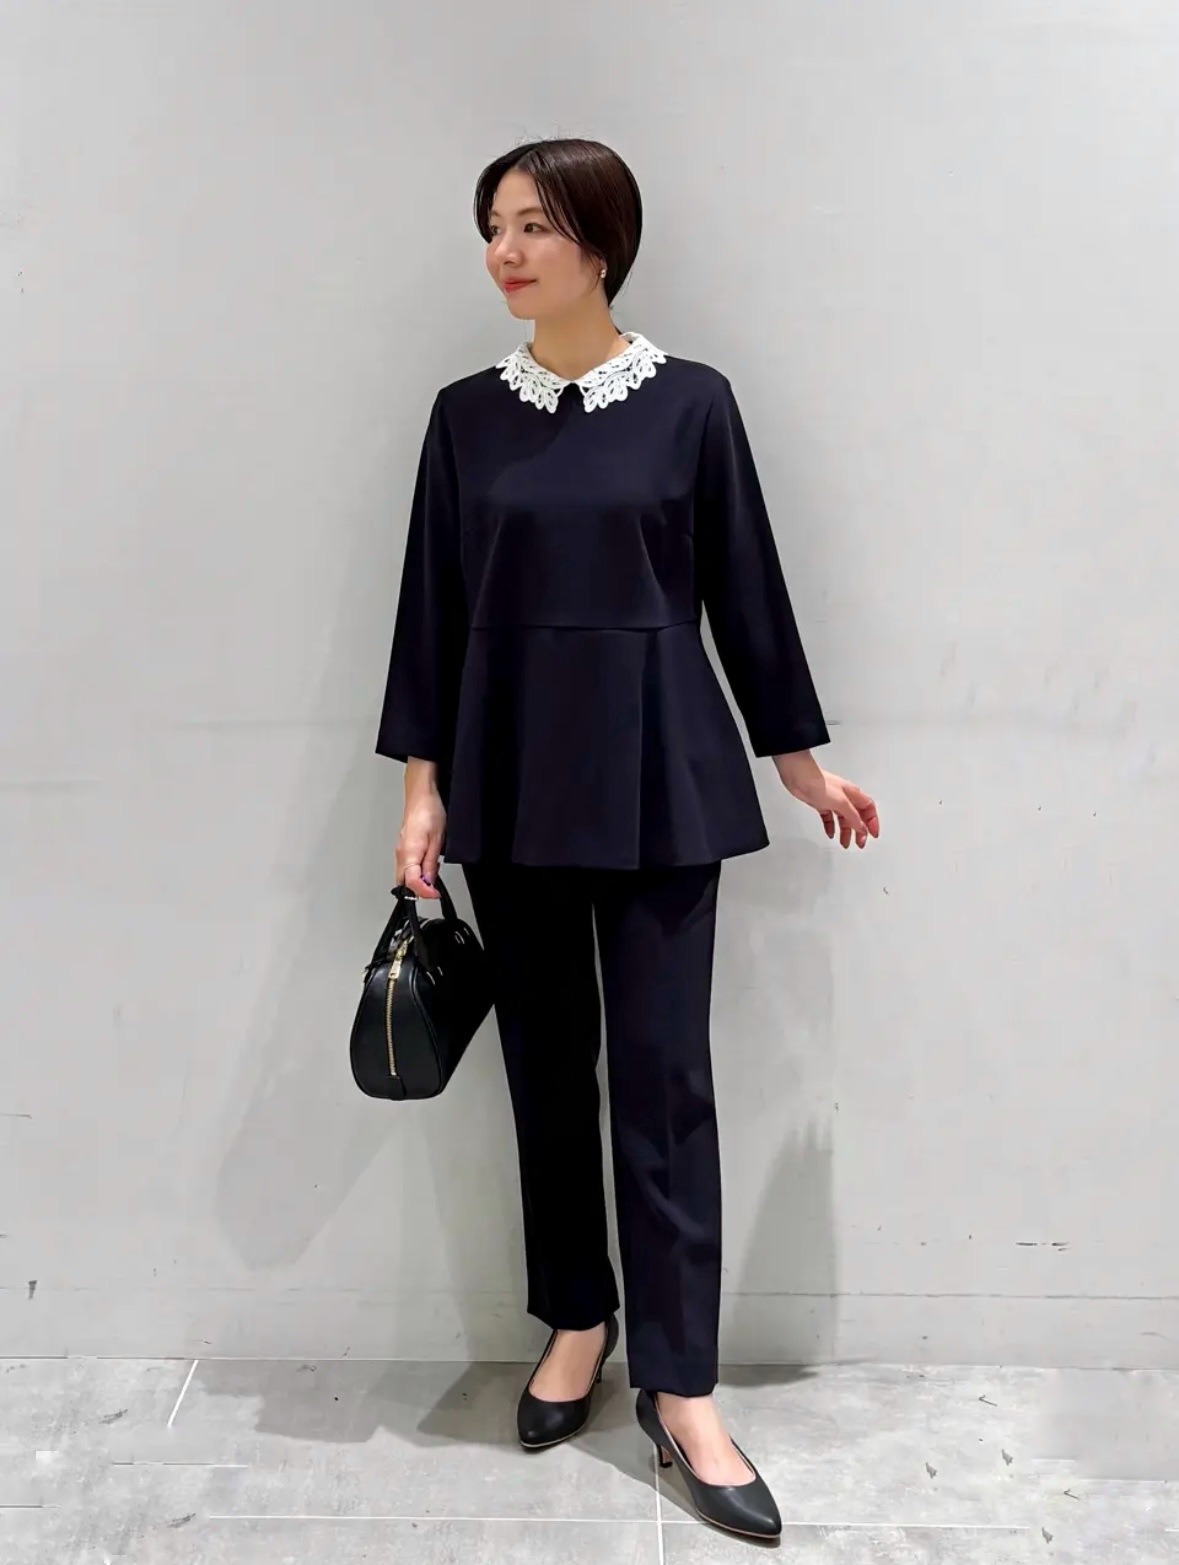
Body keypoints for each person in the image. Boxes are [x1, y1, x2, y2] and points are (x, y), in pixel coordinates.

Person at [375, 137, 879, 1542]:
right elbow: (432, 612)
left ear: (602, 242)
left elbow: (748, 591)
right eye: (493, 225)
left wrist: (800, 764)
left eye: (534, 224)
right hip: (513, 781)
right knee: (546, 1074)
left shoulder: (694, 404)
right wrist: (421, 792)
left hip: (662, 777)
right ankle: (578, 1321)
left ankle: (683, 1384)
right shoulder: (464, 419)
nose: (505, 251)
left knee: (664, 1084)